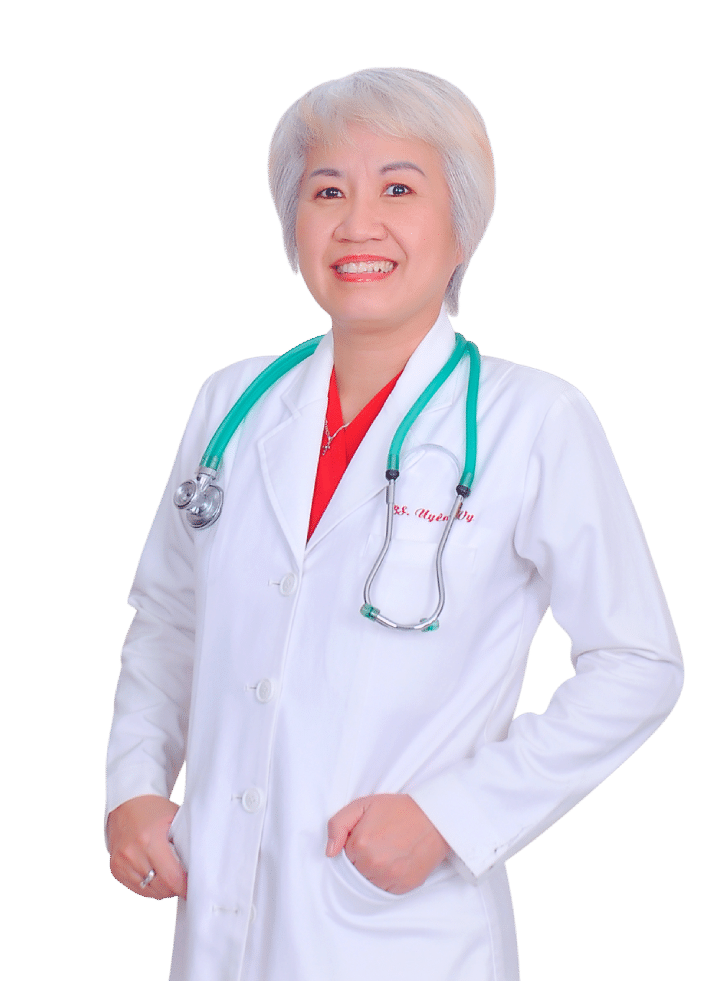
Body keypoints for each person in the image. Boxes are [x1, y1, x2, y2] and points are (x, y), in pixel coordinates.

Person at [104, 66, 684, 981]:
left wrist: (454, 816)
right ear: (292, 228)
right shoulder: (231, 404)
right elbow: (170, 620)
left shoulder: (533, 418)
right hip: (218, 919)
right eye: (327, 191)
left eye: (400, 189)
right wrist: (136, 783)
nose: (358, 223)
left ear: (464, 227)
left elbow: (638, 661)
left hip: (402, 930)